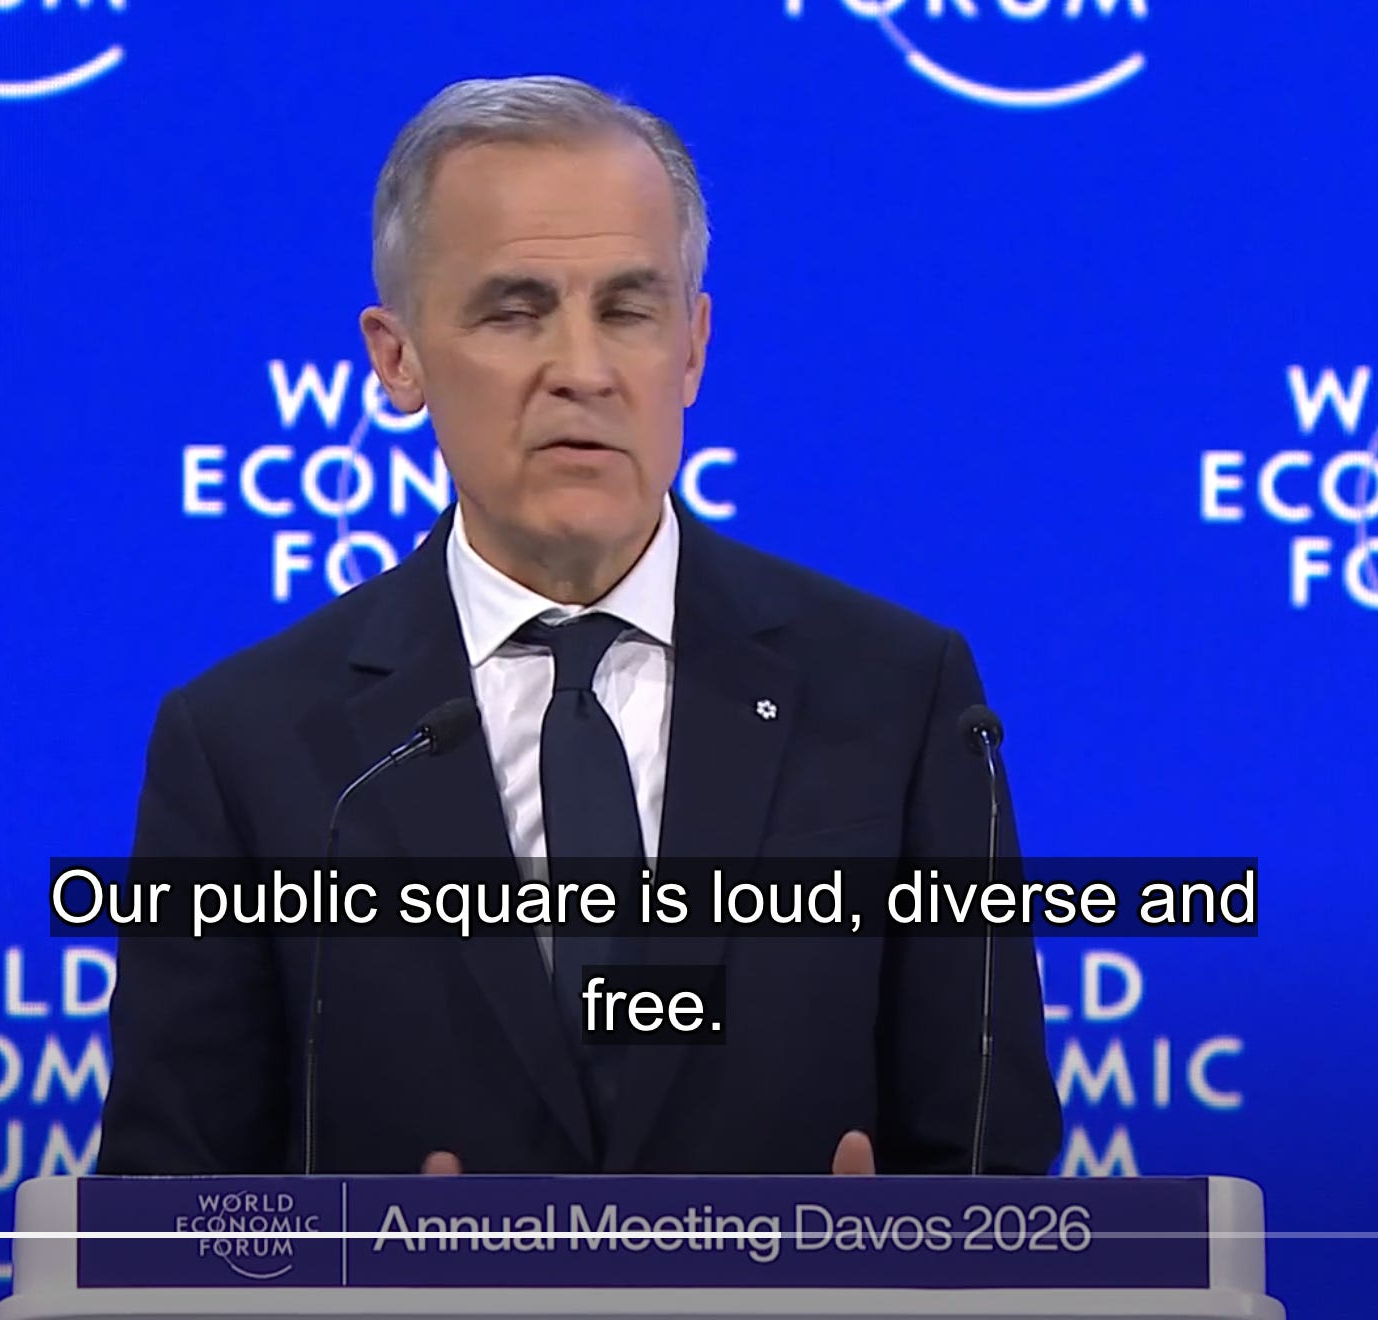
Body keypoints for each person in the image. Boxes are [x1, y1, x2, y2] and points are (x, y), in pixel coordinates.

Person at [95, 75, 1062, 1178]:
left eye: (628, 310)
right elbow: (164, 1211)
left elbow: (994, 1169)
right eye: (515, 312)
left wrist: (897, 1257)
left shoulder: (899, 698)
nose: (583, 372)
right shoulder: (246, 746)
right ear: (398, 358)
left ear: (692, 348)